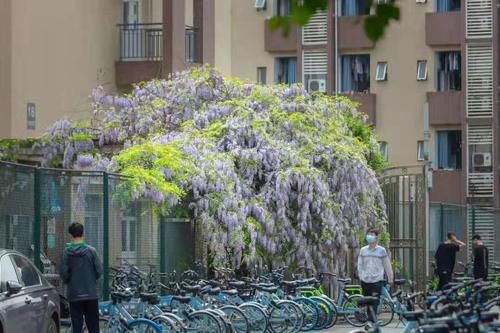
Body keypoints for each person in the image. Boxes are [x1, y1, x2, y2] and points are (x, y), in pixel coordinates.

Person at [60, 223, 102, 333]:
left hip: (74, 295)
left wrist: (70, 280)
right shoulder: (91, 251)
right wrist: (91, 280)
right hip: (91, 294)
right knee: (93, 326)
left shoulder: (66, 253)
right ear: (83, 234)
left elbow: (63, 274)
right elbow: (99, 271)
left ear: (71, 235)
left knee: (77, 325)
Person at [357, 228, 394, 323]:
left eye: (372, 235)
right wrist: (361, 276)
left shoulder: (381, 250)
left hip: (377, 280)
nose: (370, 237)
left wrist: (390, 278)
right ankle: (371, 320)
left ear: (376, 237)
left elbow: (387, 265)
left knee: (375, 301)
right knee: (367, 301)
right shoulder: (363, 250)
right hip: (365, 280)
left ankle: (371, 321)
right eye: (368, 234)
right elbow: (360, 265)